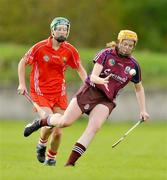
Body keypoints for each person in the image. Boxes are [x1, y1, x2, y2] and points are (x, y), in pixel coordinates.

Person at [23, 30, 150, 166]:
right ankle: (40, 123)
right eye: (125, 44)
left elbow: (139, 88)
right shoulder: (105, 54)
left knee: (94, 127)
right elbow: (93, 75)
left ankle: (69, 164)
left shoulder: (133, 65)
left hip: (106, 100)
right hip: (90, 91)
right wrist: (100, 81)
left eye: (131, 46)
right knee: (64, 122)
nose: (127, 48)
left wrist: (143, 110)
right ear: (119, 42)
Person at [18, 17, 87, 166]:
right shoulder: (39, 47)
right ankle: (42, 143)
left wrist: (88, 85)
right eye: (59, 29)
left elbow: (79, 68)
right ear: (53, 30)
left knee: (59, 129)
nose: (62, 31)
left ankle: (51, 158)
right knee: (49, 122)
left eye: (65, 29)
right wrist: (22, 84)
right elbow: (22, 62)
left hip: (59, 93)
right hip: (40, 92)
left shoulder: (70, 50)